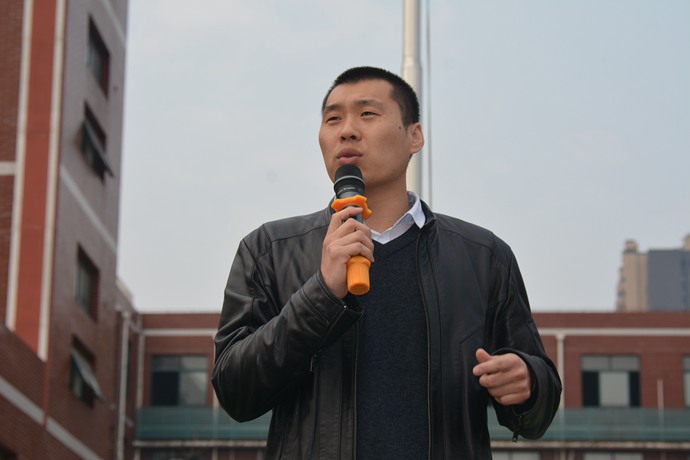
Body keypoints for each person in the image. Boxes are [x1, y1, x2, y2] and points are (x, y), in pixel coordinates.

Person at [212, 66, 562, 459]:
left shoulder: (483, 257)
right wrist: (320, 294)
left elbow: (539, 407)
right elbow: (234, 391)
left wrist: (529, 382)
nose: (347, 131)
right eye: (333, 119)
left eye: (367, 114)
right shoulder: (269, 251)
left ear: (415, 136)